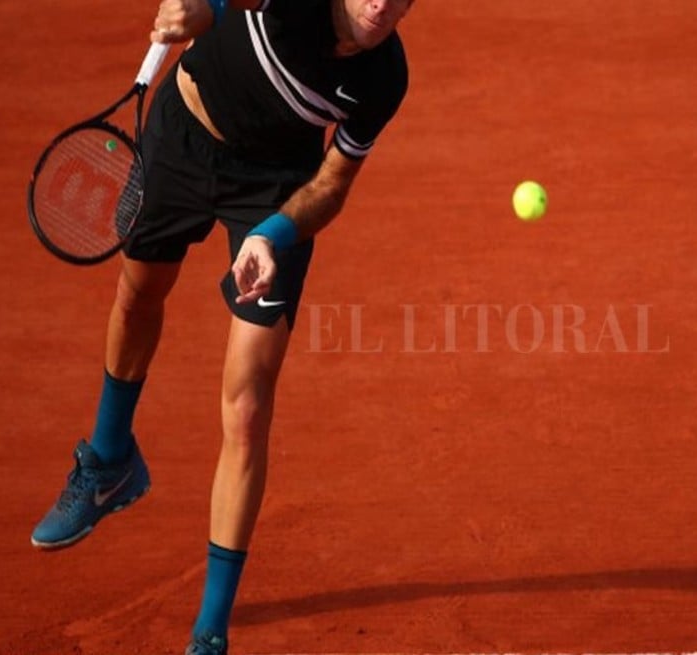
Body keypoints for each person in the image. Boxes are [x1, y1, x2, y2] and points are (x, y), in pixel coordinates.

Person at [29, 0, 415, 652]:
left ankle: (210, 628)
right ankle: (109, 460)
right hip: (180, 137)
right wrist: (197, 12)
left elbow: (333, 183)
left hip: (274, 194)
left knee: (247, 405)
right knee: (137, 298)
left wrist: (273, 233)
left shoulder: (385, 78)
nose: (381, 1)